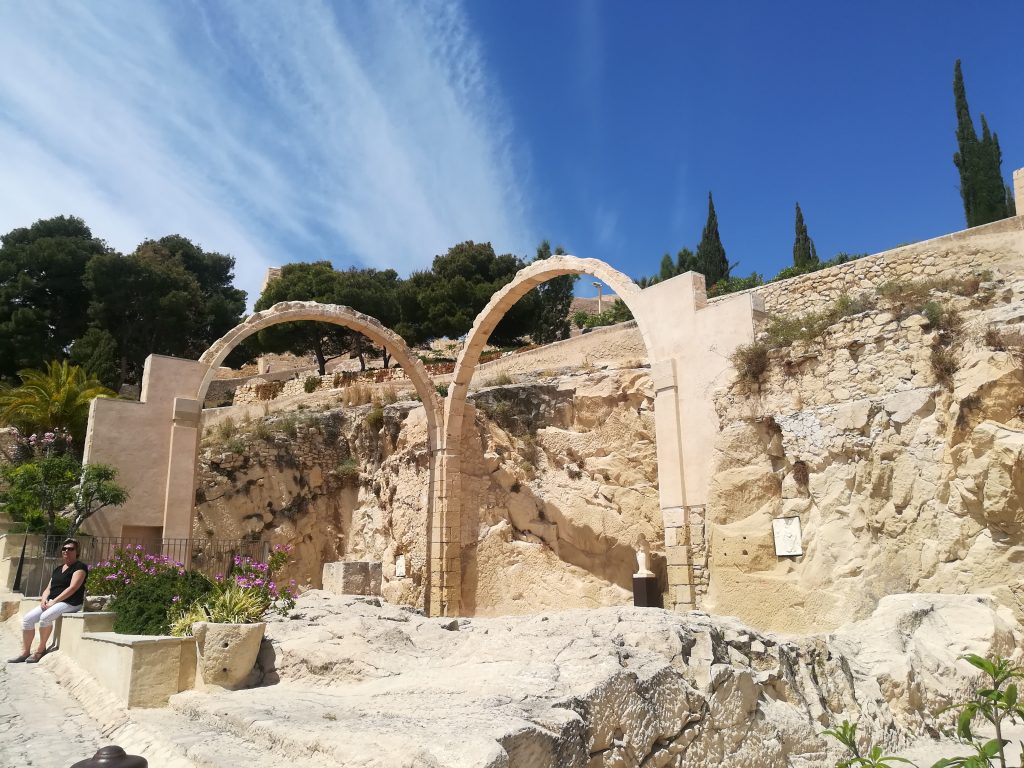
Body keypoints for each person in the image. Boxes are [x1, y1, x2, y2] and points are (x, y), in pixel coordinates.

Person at [7, 538, 88, 663]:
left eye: (70, 549)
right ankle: (25, 652)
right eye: (64, 548)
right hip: (52, 602)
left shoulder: (80, 567)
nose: (66, 551)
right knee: (28, 619)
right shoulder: (58, 569)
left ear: (77, 552)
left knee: (45, 617)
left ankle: (40, 650)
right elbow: (48, 588)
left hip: (70, 603)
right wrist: (44, 600)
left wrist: (54, 601)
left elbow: (72, 588)